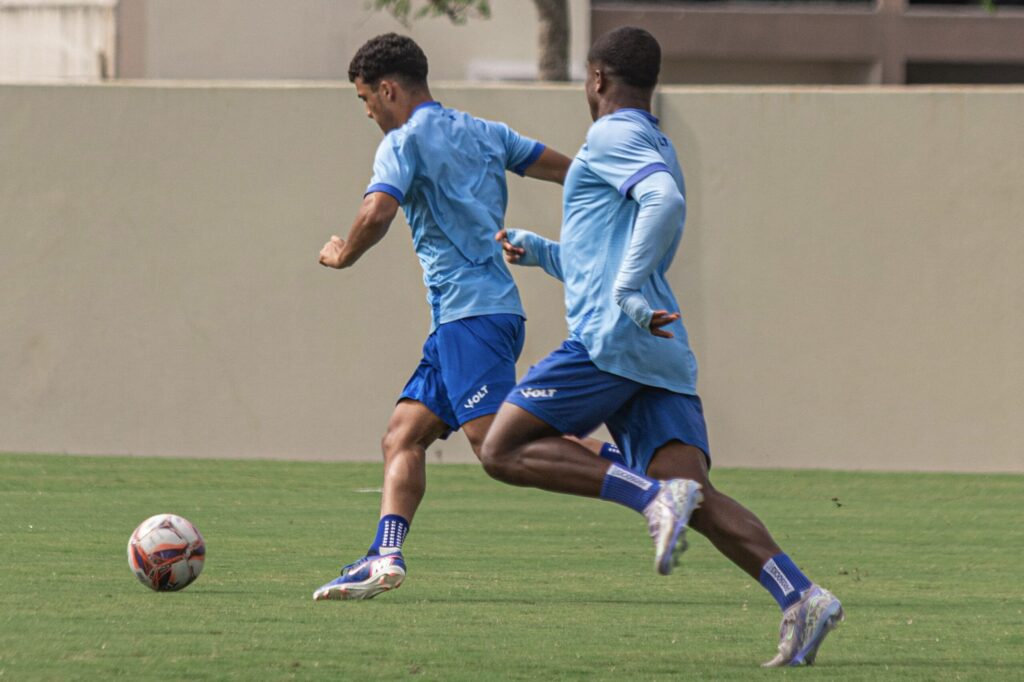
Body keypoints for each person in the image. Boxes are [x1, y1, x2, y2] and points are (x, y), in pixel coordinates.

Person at [480, 27, 844, 668]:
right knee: (694, 494)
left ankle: (648, 497)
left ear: (597, 78)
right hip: (655, 344)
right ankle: (801, 596)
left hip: (612, 341)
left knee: (500, 447)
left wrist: (623, 290)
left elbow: (661, 205)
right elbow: (615, 250)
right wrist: (543, 253)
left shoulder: (610, 134)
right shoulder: (657, 142)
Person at [312, 33, 613, 602]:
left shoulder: (402, 142)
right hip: (475, 319)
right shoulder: (485, 131)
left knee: (498, 445)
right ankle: (384, 555)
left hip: (470, 320)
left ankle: (645, 481)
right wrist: (615, 201)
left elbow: (377, 211)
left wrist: (342, 254)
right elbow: (567, 171)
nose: (368, 111)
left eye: (365, 99)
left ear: (388, 89)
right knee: (403, 435)